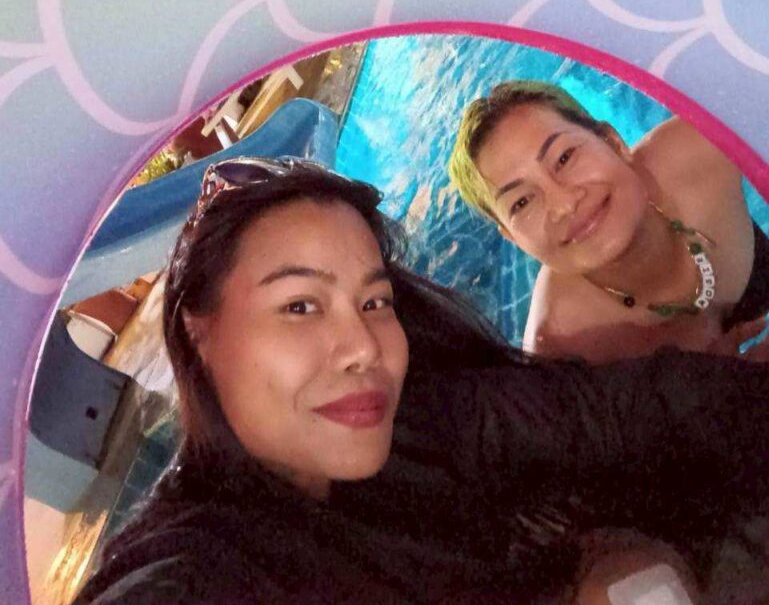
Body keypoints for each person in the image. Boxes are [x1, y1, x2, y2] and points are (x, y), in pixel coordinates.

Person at [74, 157, 769, 605]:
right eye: (299, 306)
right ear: (199, 334)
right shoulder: (193, 568)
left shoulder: (421, 420)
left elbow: (613, 412)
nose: (362, 347)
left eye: (374, 302)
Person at [449, 81, 769, 362]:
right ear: (513, 238)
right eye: (521, 202)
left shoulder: (700, 151)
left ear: (613, 143)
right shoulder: (564, 350)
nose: (564, 204)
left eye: (564, 157)